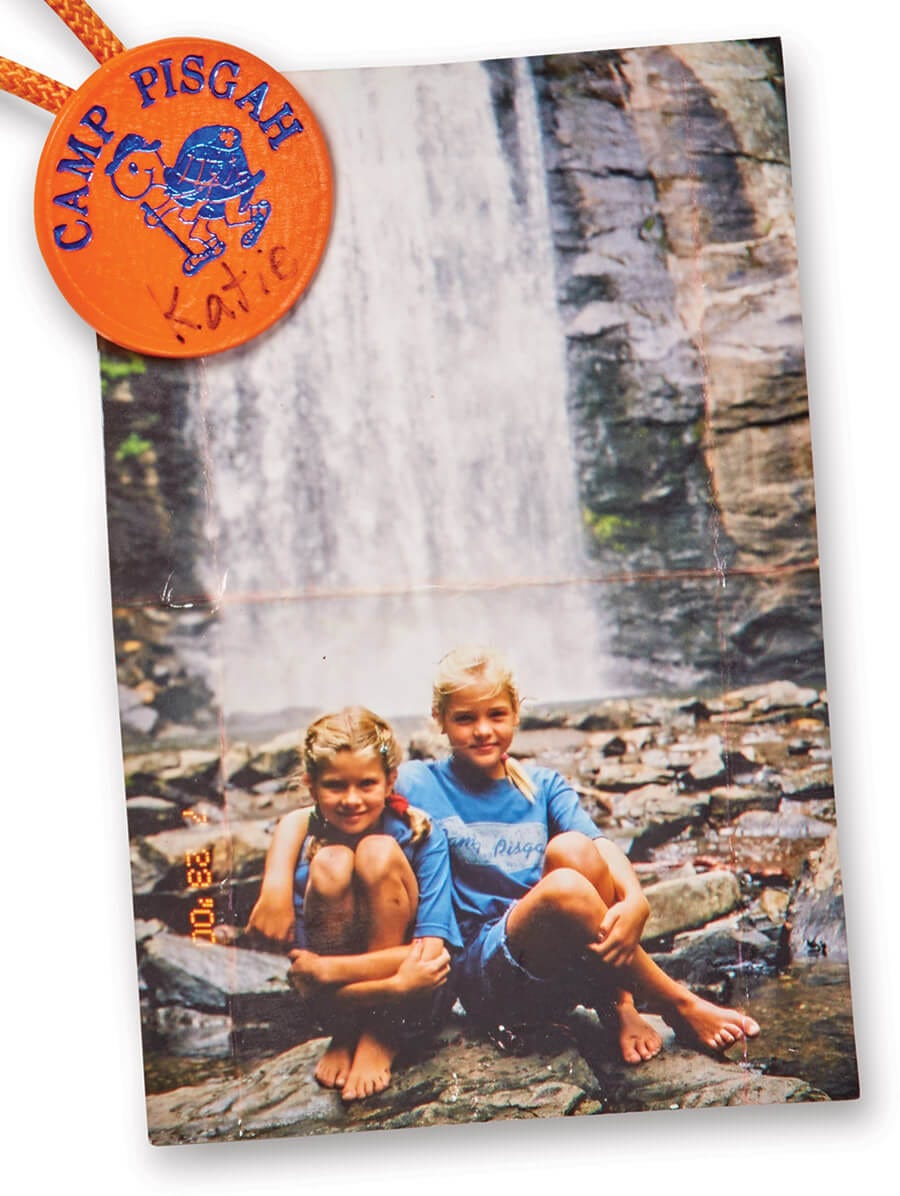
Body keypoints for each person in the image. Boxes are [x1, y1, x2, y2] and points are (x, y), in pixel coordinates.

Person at [396, 645, 760, 1064]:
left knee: (572, 848)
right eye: (465, 718)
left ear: (516, 713)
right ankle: (675, 1002)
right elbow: (331, 801)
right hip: (485, 975)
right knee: (565, 887)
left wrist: (636, 900)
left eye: (495, 715)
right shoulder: (418, 782)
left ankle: (618, 1003)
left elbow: (601, 846)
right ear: (439, 720)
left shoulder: (543, 785)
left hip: (557, 960)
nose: (483, 731)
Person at [247, 706, 461, 1101]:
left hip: (415, 1000)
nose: (351, 800)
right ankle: (347, 1032)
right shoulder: (305, 846)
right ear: (311, 786)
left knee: (377, 852)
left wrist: (332, 971)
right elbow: (308, 982)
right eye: (335, 786)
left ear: (390, 781)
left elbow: (431, 959)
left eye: (366, 784)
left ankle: (381, 1034)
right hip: (350, 999)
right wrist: (392, 984)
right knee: (331, 861)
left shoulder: (423, 836)